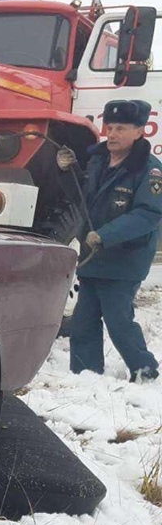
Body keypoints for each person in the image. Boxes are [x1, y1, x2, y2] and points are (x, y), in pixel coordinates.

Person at [58, 99, 162, 381]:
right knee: (83, 322)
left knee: (118, 321)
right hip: (94, 256)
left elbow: (148, 214)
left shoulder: (150, 170)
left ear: (140, 131)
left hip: (125, 259)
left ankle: (145, 369)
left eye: (121, 128)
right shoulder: (98, 160)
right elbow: (81, 197)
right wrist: (68, 172)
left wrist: (105, 236)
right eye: (110, 127)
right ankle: (85, 374)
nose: (112, 134)